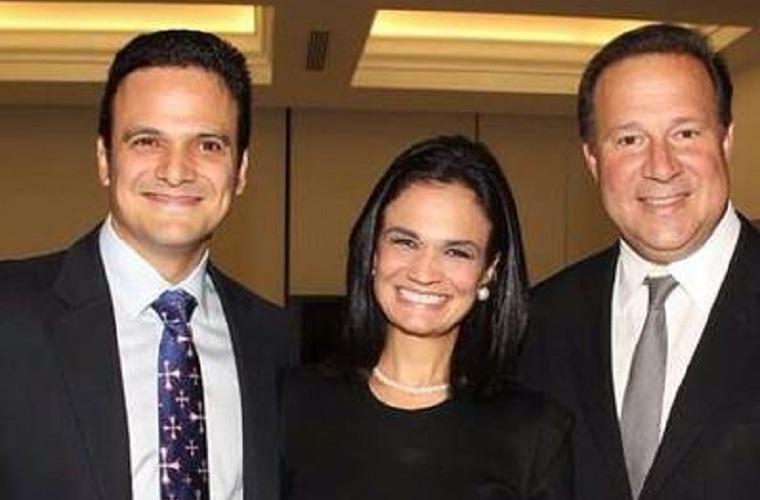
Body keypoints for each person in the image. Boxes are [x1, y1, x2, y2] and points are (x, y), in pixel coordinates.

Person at [0, 30, 291, 500]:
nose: (176, 170)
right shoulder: (9, 316)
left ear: (239, 172)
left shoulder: (275, 343)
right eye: (147, 141)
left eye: (208, 145)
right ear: (104, 159)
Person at [520, 23, 760, 500]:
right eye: (629, 140)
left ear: (726, 139)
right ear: (593, 160)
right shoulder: (537, 324)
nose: (661, 166)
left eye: (685, 133)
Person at [281, 135, 573, 500]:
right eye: (406, 242)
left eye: (456, 252)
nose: (424, 272)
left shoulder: (535, 434)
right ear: (373, 251)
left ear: (489, 271)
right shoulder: (292, 405)